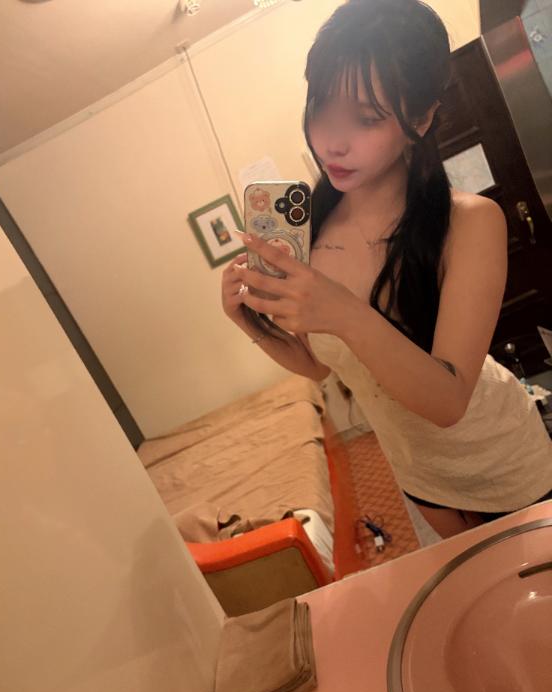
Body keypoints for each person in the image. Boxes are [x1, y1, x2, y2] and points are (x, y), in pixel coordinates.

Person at [221, 0, 552, 539]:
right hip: (419, 476)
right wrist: (250, 322)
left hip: (504, 460)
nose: (332, 141)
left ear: (420, 119)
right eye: (322, 109)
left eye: (366, 118)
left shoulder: (469, 222)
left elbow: (448, 402)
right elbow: (321, 366)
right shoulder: (311, 230)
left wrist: (343, 311)